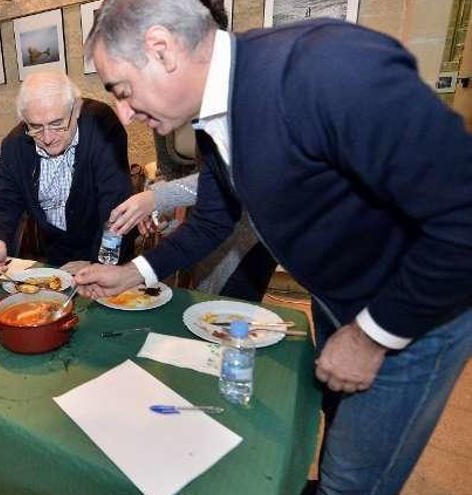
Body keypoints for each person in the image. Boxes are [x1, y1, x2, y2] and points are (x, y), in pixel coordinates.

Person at [76, 1, 472, 493]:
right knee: (333, 429)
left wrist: (372, 336)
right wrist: (133, 273)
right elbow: (213, 221)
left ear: (161, 48)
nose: (125, 113)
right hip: (340, 301)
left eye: (123, 91)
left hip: (414, 312)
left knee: (352, 479)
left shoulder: (325, 69)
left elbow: (462, 221)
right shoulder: (211, 114)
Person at [0, 71, 134, 274]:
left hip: (109, 253)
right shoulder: (15, 145)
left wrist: (99, 264)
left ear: (76, 109)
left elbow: (116, 204)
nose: (48, 138)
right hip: (58, 258)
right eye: (36, 127)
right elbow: (2, 202)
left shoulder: (102, 125)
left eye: (57, 124)